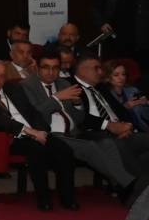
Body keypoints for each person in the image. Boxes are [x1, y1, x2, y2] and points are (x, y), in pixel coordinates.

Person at [15, 55, 142, 199]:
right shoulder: (27, 86)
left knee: (107, 143)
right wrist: (56, 98)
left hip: (73, 132)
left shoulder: (63, 83)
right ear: (37, 68)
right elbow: (33, 116)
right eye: (46, 67)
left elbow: (79, 118)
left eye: (55, 68)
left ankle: (119, 183)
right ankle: (129, 184)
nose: (51, 72)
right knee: (89, 147)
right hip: (50, 135)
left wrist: (77, 105)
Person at [0, 61, 79, 212]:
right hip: (8, 138)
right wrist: (28, 131)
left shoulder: (13, 88)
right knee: (37, 150)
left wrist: (42, 130)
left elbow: (32, 112)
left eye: (2, 76)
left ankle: (68, 198)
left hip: (34, 132)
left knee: (64, 149)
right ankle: (44, 199)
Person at [97, 0, 149, 73]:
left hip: (141, 44)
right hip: (115, 42)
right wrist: (102, 23)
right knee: (115, 74)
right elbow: (95, 9)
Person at [106, 60, 149, 132]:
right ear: (107, 77)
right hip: (120, 131)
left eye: (123, 74)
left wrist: (146, 104)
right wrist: (124, 107)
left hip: (140, 130)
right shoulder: (105, 94)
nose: (121, 78)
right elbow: (109, 119)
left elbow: (145, 116)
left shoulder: (132, 91)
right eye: (116, 75)